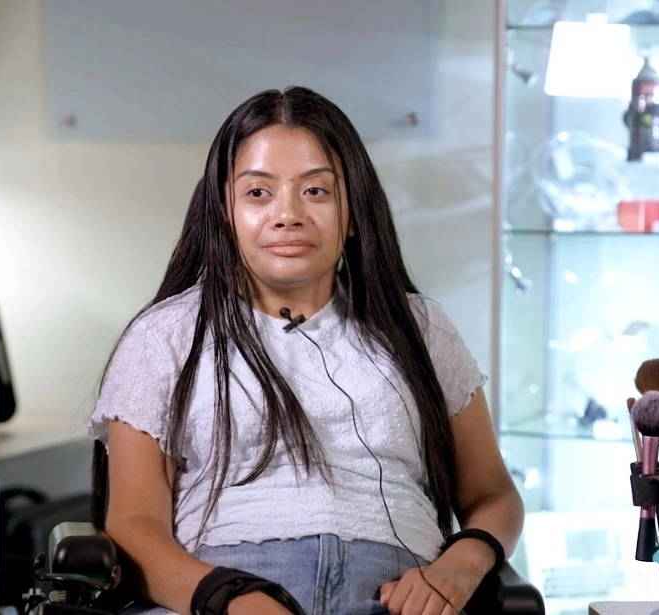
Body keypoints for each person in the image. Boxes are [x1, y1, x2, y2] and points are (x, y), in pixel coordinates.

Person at [88, 86, 524, 615]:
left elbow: (492, 494)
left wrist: (459, 566)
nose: (287, 214)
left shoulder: (421, 328)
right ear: (224, 211)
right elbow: (133, 523)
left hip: (397, 595)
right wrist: (228, 599)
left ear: (353, 210)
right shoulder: (164, 337)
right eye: (258, 193)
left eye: (316, 191)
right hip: (225, 594)